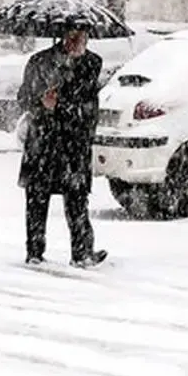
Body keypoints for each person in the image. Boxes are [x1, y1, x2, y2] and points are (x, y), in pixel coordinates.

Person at [16, 23, 109, 268]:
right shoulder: (39, 62)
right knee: (37, 197)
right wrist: (42, 103)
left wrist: (66, 107)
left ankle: (82, 252)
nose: (76, 41)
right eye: (71, 36)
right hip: (44, 140)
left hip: (74, 142)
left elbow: (87, 101)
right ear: (62, 36)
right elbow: (23, 98)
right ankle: (34, 251)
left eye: (81, 37)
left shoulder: (91, 64)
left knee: (77, 198)